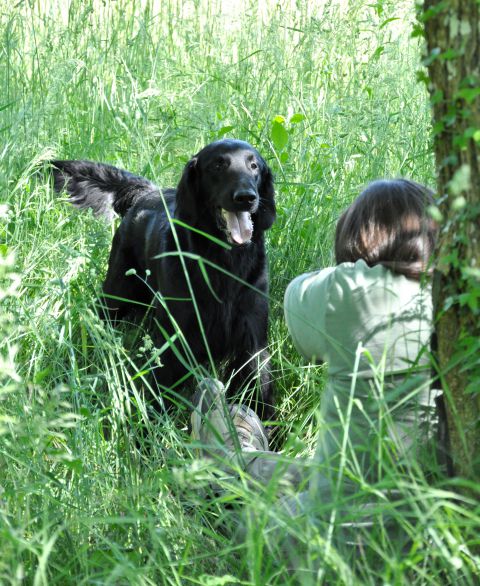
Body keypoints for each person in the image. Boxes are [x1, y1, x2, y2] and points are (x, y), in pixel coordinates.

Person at [190, 178, 445, 546]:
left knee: (247, 518)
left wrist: (356, 255)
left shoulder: (351, 294)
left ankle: (224, 461)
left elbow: (297, 305)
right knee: (330, 474)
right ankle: (246, 455)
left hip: (328, 545)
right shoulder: (459, 304)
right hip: (432, 538)